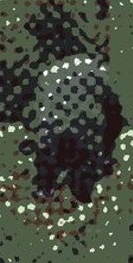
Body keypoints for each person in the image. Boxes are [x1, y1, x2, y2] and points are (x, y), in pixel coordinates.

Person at [32, 36, 124, 205]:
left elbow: (43, 105)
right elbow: (113, 112)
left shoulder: (55, 71)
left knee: (53, 155)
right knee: (84, 157)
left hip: (57, 126)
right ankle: (83, 199)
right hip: (84, 130)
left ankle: (45, 192)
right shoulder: (101, 72)